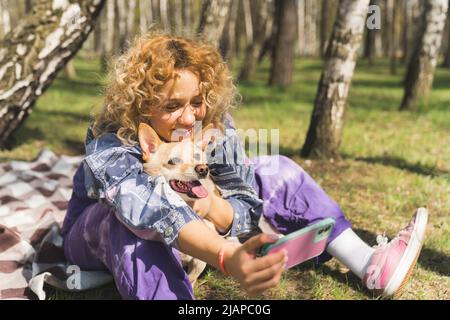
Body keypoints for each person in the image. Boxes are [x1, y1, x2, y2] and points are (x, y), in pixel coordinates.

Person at [62, 33, 428, 300]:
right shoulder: (110, 139)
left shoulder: (213, 125)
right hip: (96, 233)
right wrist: (227, 255)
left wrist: (211, 206)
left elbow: (244, 196)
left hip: (197, 228)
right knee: (133, 224)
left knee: (276, 168)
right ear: (142, 104)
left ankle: (367, 262)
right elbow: (144, 210)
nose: (189, 117)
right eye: (172, 105)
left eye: (198, 101)